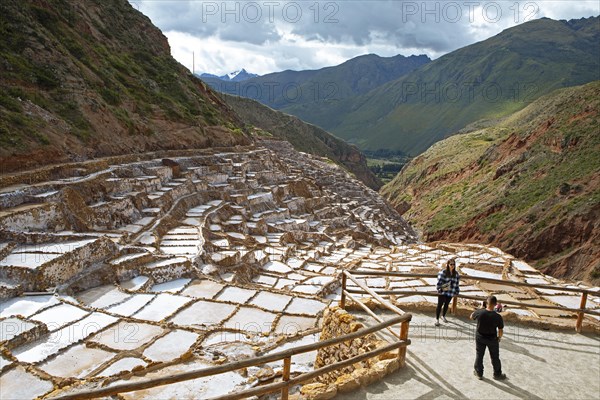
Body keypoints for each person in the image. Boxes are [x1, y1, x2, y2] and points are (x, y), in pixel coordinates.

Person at [470, 295, 507, 380]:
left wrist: (480, 309)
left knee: (479, 355)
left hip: (480, 337)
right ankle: (497, 374)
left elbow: (471, 317)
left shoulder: (480, 312)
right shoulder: (498, 316)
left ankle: (479, 373)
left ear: (487, 303)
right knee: (495, 357)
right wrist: (499, 337)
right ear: (495, 304)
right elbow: (500, 330)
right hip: (492, 338)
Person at [435, 258, 459, 326]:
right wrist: (441, 288)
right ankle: (437, 319)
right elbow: (439, 283)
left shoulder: (456, 274)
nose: (452, 266)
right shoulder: (443, 272)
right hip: (443, 291)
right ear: (448, 264)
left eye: (453, 264)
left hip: (451, 292)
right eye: (451, 264)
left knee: (446, 304)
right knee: (440, 305)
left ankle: (443, 316)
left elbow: (457, 283)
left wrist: (457, 291)